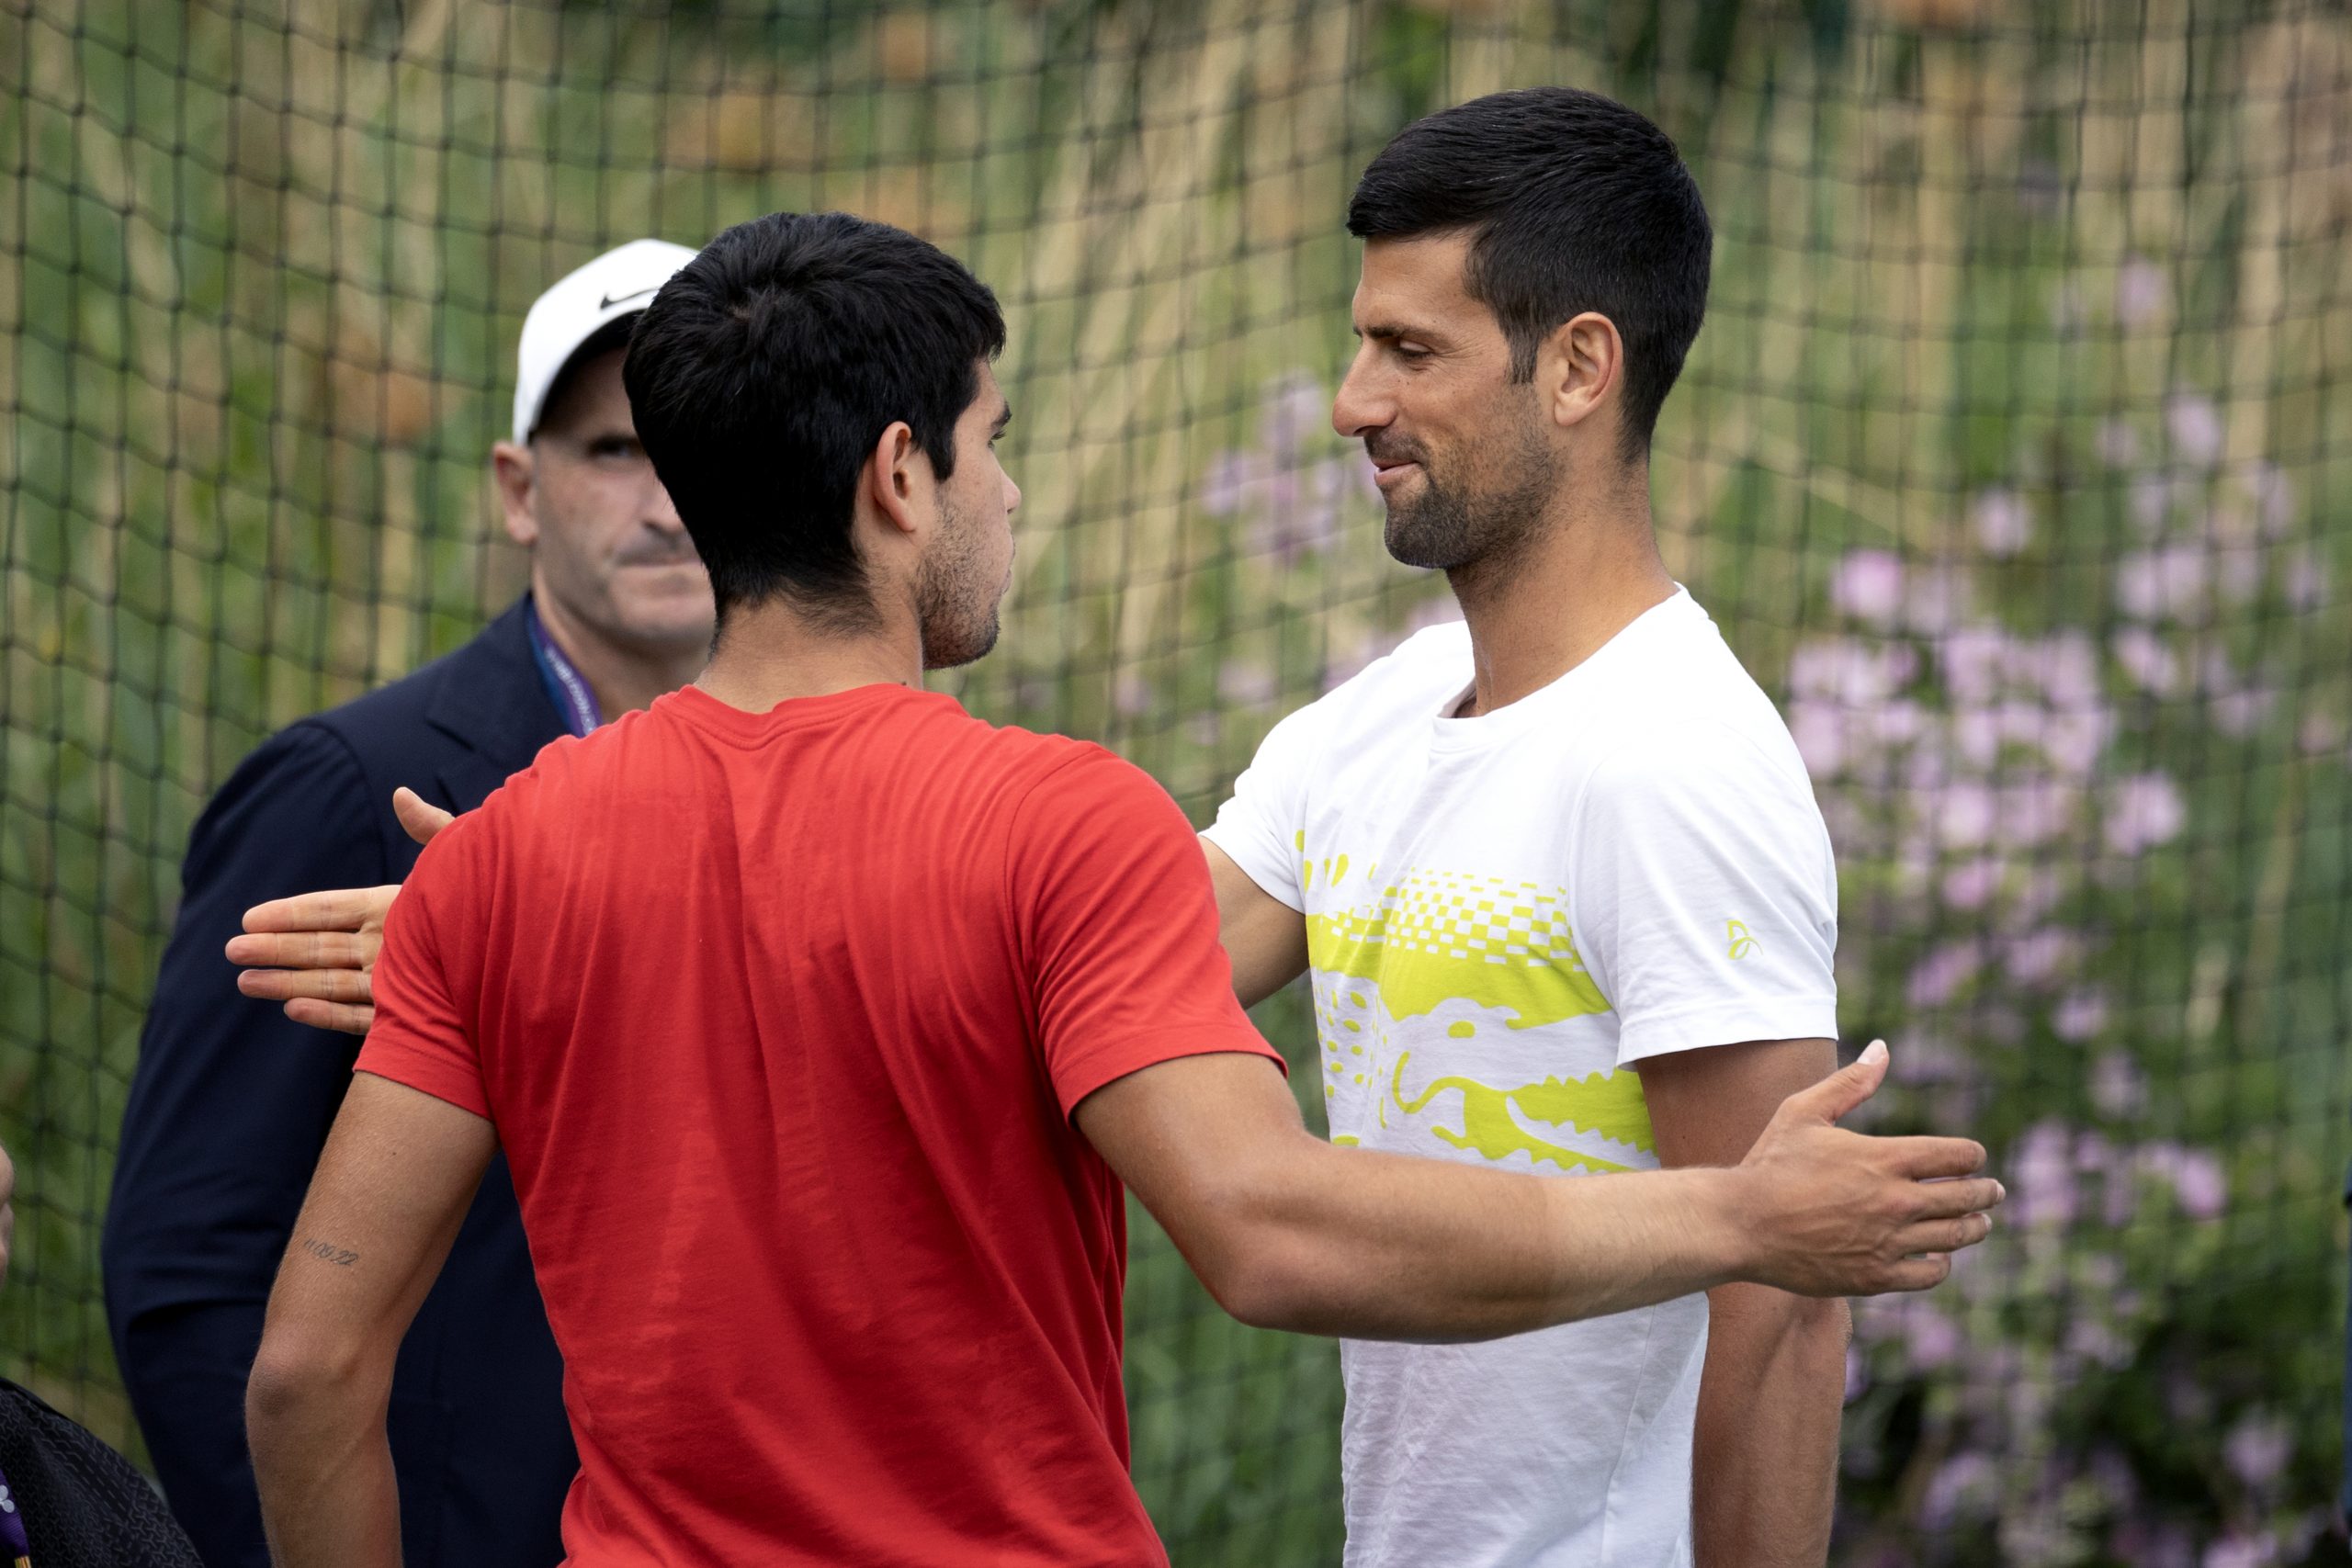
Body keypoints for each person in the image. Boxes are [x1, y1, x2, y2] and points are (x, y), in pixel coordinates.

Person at [237, 209, 1998, 1568]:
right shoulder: (1057, 823)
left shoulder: (514, 859)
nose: (1009, 486)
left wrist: (540, 928)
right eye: (993, 441)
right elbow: (1265, 1225)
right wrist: (1742, 1222)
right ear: (901, 477)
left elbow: (308, 1375)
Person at [1201, 87, 1859, 1567]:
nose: (1351, 401)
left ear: (1577, 369)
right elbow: (1132, 961)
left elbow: (1789, 1291)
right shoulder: (1378, 717)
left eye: (1410, 350)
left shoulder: (1679, 761)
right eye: (1364, 339)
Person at [101, 238, 710, 1568]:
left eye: (703, 443)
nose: (667, 501)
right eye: (614, 451)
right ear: (518, 489)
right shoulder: (351, 786)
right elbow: (190, 1268)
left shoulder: (833, 799)